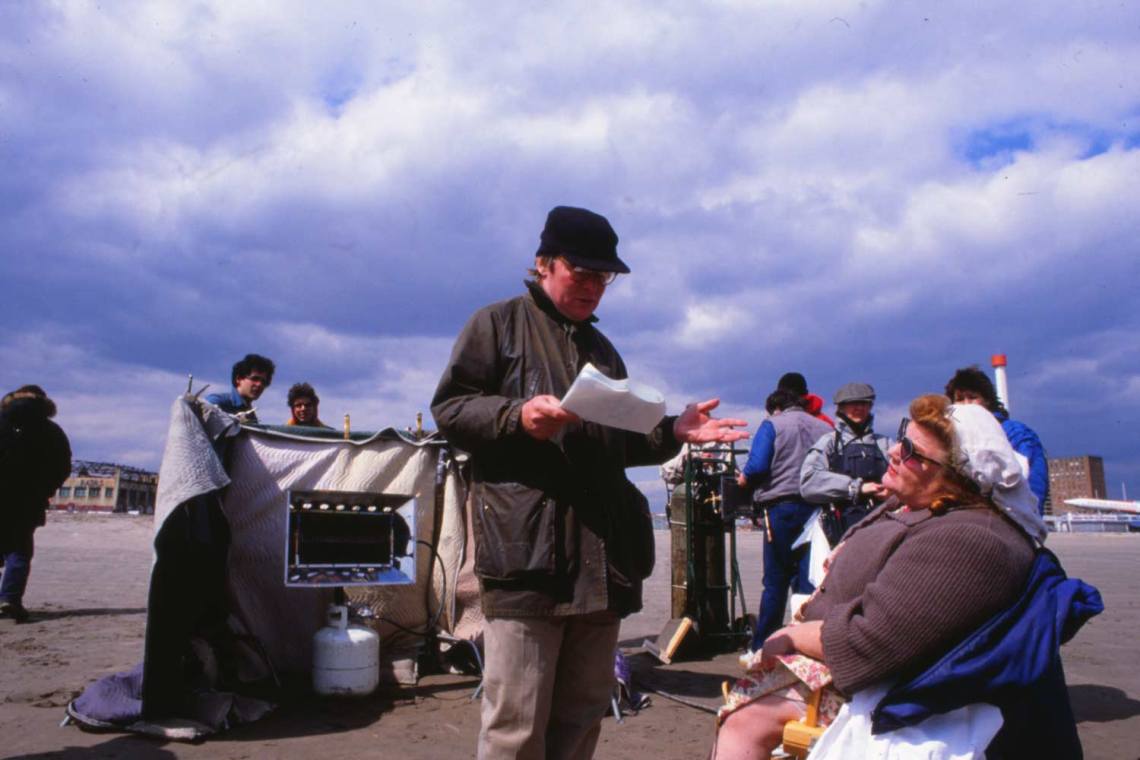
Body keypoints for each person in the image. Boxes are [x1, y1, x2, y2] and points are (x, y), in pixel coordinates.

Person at [431, 205, 747, 760]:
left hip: (601, 565)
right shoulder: (497, 324)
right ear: (543, 264)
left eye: (604, 277)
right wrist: (516, 416)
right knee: (515, 727)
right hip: (526, 560)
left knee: (580, 719)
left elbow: (621, 440)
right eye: (583, 272)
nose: (595, 287)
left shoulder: (602, 351)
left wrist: (672, 429)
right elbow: (451, 410)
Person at [713, 395, 1065, 760]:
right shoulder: (924, 504)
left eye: (911, 450)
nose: (895, 451)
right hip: (855, 651)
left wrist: (791, 635)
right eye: (902, 437)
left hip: (886, 685)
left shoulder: (970, 539)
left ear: (954, 476)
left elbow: (873, 643)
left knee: (743, 723)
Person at [736, 388, 832, 648]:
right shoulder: (823, 427)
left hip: (780, 509)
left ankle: (763, 646)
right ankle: (805, 645)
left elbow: (757, 466)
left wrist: (742, 480)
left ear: (774, 407)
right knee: (808, 581)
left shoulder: (772, 424)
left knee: (775, 581)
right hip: (817, 509)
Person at [0, 385, 72, 623]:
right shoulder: (52, 431)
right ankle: (9, 599)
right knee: (19, 550)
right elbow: (63, 467)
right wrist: (45, 490)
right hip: (27, 500)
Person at [945, 366, 1048, 515]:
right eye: (960, 399)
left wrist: (1029, 519)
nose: (966, 404)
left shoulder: (1014, 432)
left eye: (972, 397)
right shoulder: (951, 437)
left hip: (1010, 518)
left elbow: (1034, 481)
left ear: (987, 400)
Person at [799, 382, 890, 546]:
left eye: (864, 403)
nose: (859, 408)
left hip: (882, 528)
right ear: (840, 408)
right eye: (852, 404)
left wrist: (892, 491)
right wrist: (857, 487)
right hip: (840, 531)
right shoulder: (828, 443)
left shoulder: (885, 443)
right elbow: (808, 483)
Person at [205, 354, 275, 422]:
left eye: (264, 382)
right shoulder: (216, 402)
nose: (259, 384)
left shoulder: (251, 416)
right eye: (254, 379)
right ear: (238, 379)